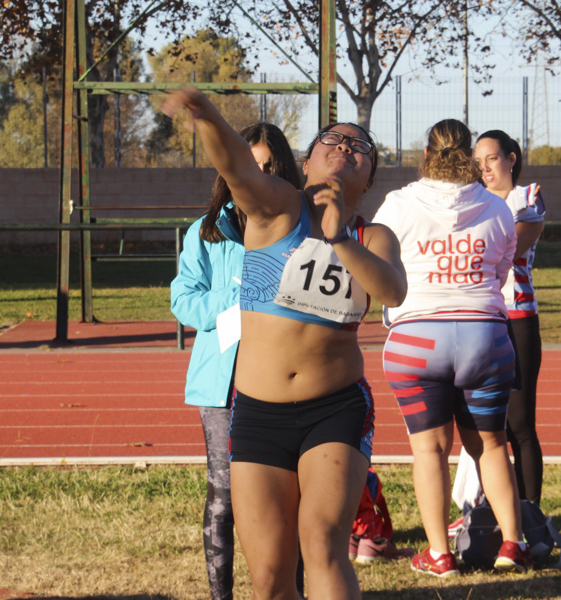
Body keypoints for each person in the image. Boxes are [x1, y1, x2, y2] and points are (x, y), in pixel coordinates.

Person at [162, 88, 407, 600]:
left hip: (334, 408)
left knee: (321, 544)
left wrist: (339, 237)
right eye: (333, 140)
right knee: (270, 577)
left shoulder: (373, 235)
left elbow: (392, 290)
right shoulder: (276, 208)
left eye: (359, 146)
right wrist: (207, 114)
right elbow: (238, 168)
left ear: (370, 176)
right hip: (257, 412)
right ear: (307, 161)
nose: (345, 146)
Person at [373, 119, 530, 577]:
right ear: (469, 153)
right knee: (492, 445)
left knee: (429, 451)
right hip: (486, 336)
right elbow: (502, 271)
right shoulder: (497, 207)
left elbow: (378, 264)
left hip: (416, 339)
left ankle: (439, 553)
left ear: (426, 153)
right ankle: (512, 545)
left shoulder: (397, 204)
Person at [170, 122, 303, 600]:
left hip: (285, 381)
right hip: (223, 388)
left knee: (289, 501)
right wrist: (236, 297)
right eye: (248, 166)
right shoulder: (205, 232)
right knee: (223, 499)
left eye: (269, 168)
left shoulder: (300, 225)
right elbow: (184, 301)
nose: (258, 176)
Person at [450, 131, 547, 520]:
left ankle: (530, 513)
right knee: (488, 426)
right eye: (478, 161)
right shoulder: (473, 202)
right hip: (480, 319)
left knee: (520, 423)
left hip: (517, 318)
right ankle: (491, 512)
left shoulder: (530, 196)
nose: (484, 168)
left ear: (511, 158)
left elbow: (507, 250)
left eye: (491, 159)